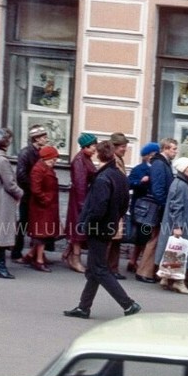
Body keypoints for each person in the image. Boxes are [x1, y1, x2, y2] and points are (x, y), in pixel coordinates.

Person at [63, 141, 141, 319]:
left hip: (98, 228)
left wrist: (87, 223)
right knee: (93, 269)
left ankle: (128, 304)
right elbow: (124, 204)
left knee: (99, 269)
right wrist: (115, 219)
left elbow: (98, 207)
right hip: (109, 226)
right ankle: (84, 307)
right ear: (113, 155)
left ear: (98, 155)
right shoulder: (120, 176)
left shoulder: (102, 178)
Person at [135, 137, 178, 282]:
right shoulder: (160, 164)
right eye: (173, 148)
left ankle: (146, 271)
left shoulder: (162, 163)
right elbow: (157, 189)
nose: (175, 152)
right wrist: (165, 205)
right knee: (154, 240)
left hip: (159, 206)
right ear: (165, 148)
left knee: (155, 239)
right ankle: (144, 272)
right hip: (158, 207)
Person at [155, 156, 188, 295]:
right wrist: (177, 226)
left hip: (178, 223)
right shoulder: (181, 184)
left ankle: (166, 278)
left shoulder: (181, 183)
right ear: (183, 169)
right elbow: (176, 207)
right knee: (180, 251)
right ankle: (179, 282)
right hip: (181, 224)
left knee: (173, 249)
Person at [12, 124, 49, 262]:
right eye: (44, 137)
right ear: (36, 139)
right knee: (24, 224)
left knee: (36, 224)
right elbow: (21, 175)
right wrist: (34, 188)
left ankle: (36, 253)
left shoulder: (40, 153)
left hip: (35, 194)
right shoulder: (26, 153)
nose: (46, 139)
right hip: (28, 195)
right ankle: (17, 251)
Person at [62, 132, 98, 273]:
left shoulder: (85, 158)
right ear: (85, 147)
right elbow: (80, 184)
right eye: (93, 146)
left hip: (82, 200)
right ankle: (76, 260)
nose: (95, 148)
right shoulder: (79, 161)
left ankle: (68, 255)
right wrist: (83, 207)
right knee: (78, 231)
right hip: (79, 201)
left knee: (79, 230)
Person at [126, 141, 160, 274]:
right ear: (145, 156)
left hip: (152, 208)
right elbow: (129, 183)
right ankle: (133, 260)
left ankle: (135, 261)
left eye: (155, 154)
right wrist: (141, 181)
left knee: (145, 236)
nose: (153, 157)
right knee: (142, 236)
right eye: (151, 154)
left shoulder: (157, 167)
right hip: (142, 208)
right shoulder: (139, 169)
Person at [28, 144, 61, 272]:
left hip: (47, 206)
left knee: (45, 233)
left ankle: (31, 255)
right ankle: (39, 261)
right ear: (46, 158)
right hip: (41, 207)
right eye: (53, 159)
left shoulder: (46, 167)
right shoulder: (38, 169)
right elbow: (35, 189)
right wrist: (46, 200)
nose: (54, 162)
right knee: (41, 235)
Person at [0, 127, 23, 279]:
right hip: (3, 202)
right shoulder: (2, 160)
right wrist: (20, 192)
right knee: (1, 233)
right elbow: (9, 184)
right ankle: (0, 266)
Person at [106, 132, 131, 280]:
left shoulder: (119, 159)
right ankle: (104, 268)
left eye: (125, 146)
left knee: (116, 239)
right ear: (114, 147)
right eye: (122, 146)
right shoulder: (112, 161)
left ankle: (112, 268)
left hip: (118, 206)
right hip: (113, 206)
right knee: (110, 239)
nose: (125, 149)